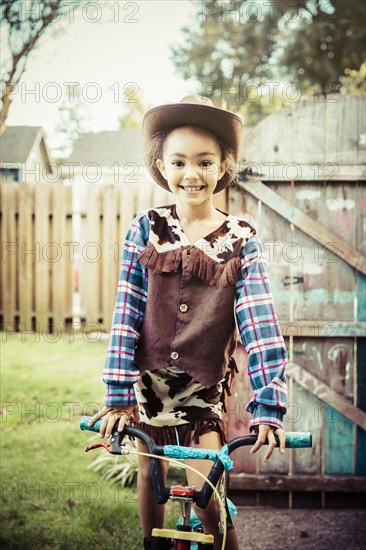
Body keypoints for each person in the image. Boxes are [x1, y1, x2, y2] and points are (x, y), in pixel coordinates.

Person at [89, 95, 288, 550]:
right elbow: (126, 313)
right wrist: (118, 397)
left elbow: (259, 323)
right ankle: (151, 544)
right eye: (179, 162)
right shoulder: (146, 228)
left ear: (223, 166)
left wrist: (269, 406)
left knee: (206, 488)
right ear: (162, 165)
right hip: (145, 387)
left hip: (203, 391)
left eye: (204, 162)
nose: (192, 174)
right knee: (150, 470)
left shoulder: (241, 238)